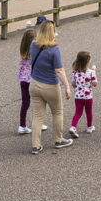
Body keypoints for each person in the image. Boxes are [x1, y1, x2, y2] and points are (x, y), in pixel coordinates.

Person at [28, 21, 73, 154]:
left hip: (34, 83)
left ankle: (36, 145)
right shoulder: (54, 50)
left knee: (38, 116)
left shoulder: (33, 45)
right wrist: (67, 87)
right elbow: (59, 70)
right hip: (50, 86)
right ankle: (58, 139)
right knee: (57, 112)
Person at [68, 51, 98, 137]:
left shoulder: (74, 72)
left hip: (78, 97)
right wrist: (93, 76)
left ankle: (73, 127)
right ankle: (89, 127)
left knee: (78, 112)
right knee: (89, 112)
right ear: (88, 61)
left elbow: (73, 85)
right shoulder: (91, 72)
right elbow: (95, 84)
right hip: (88, 97)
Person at [16, 29, 37, 134]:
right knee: (39, 102)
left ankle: (22, 125)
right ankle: (38, 122)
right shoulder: (34, 51)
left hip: (23, 79)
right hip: (32, 79)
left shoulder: (23, 50)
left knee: (25, 103)